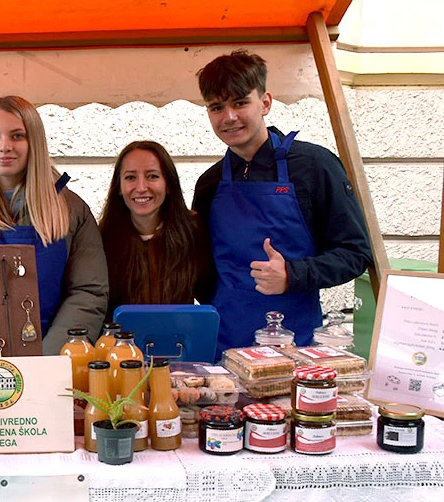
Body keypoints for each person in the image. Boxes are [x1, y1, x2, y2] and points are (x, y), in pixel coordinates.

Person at [191, 50, 372, 356]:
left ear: (265, 103)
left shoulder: (315, 166)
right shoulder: (209, 184)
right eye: (217, 107)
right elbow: (198, 261)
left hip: (295, 347)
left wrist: (293, 274)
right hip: (222, 347)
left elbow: (355, 253)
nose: (229, 117)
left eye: (240, 102)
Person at [0, 96, 108, 354]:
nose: (4, 146)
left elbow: (87, 292)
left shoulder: (71, 210)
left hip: (49, 364)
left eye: (17, 136)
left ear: (33, 141)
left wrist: (48, 358)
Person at [99, 140, 212, 318]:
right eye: (130, 177)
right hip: (119, 344)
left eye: (152, 176)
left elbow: (210, 292)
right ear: (118, 187)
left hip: (178, 341)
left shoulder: (194, 231)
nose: (141, 187)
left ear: (168, 184)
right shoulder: (101, 240)